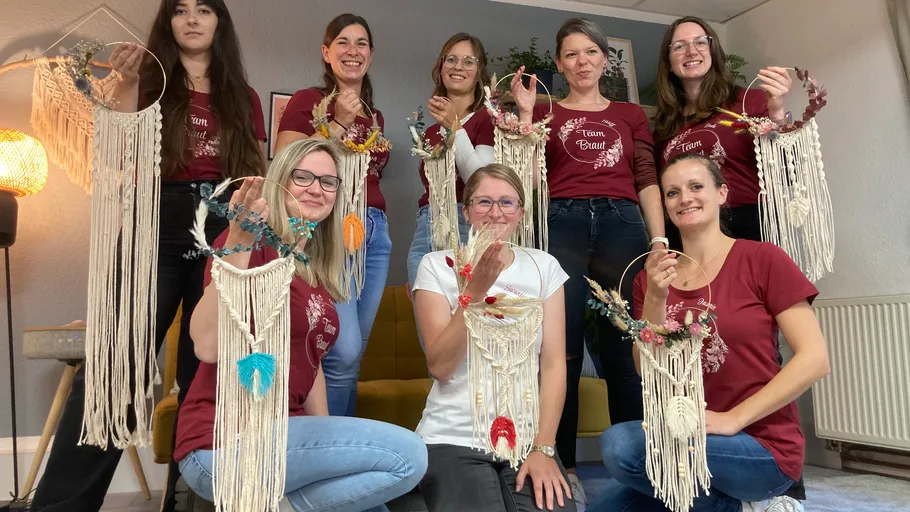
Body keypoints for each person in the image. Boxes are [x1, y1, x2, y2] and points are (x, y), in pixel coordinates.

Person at [31, 1, 266, 510]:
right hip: (155, 223)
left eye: (205, 9)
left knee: (207, 374)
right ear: (168, 22)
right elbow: (116, 152)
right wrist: (121, 83)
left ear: (219, 23)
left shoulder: (242, 96)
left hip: (224, 226)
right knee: (114, 373)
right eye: (180, 10)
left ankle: (187, 500)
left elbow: (256, 172)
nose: (193, 18)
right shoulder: (147, 78)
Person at [174, 138, 428, 512]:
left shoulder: (316, 271)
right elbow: (208, 346)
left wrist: (327, 434)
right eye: (303, 176)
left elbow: (313, 364)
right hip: (223, 442)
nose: (316, 188)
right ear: (281, 181)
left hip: (290, 439)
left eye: (328, 181)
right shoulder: (249, 242)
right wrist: (239, 241)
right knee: (409, 456)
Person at [588, 153, 830, 512]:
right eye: (672, 193)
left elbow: (815, 359)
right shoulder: (650, 278)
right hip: (683, 437)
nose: (684, 198)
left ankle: (751, 504)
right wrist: (657, 296)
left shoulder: (763, 259)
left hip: (760, 445)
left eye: (696, 186)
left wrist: (733, 420)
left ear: (722, 193)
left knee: (622, 446)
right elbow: (646, 369)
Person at [510, 18, 666, 506]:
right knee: (564, 346)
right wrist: (525, 118)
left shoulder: (630, 114)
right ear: (559, 64)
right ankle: (563, 463)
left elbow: (645, 174)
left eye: (590, 52)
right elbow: (527, 178)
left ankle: (636, 462)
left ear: (605, 59)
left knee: (628, 344)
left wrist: (659, 238)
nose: (582, 62)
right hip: (563, 222)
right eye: (571, 54)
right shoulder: (544, 111)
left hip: (623, 222)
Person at [413, 163, 575, 512]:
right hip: (452, 438)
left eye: (507, 203)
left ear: (520, 211)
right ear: (467, 209)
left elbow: (553, 366)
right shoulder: (435, 266)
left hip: (528, 443)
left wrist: (544, 447)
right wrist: (474, 290)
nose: (495, 213)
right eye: (484, 202)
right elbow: (441, 367)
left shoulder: (543, 266)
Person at [274, 13, 390, 417]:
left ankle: (335, 449)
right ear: (327, 53)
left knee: (349, 356)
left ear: (370, 56)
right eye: (342, 42)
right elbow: (287, 162)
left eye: (361, 43)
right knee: (342, 348)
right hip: (332, 231)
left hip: (376, 233)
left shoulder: (374, 117)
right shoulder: (309, 101)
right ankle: (326, 447)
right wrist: (337, 122)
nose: (352, 50)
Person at [652, 16, 792, 247]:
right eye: (679, 46)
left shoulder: (750, 102)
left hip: (748, 223)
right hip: (687, 230)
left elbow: (787, 171)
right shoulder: (666, 126)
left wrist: (776, 111)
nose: (691, 51)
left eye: (700, 42)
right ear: (668, 62)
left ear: (713, 50)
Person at [406, 32, 495, 290]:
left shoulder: (486, 119)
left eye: (469, 61)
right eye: (452, 59)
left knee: (463, 318)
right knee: (428, 324)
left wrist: (454, 126)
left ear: (479, 72)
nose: (458, 66)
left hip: (465, 225)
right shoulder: (431, 132)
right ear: (441, 67)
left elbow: (482, 183)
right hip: (426, 223)